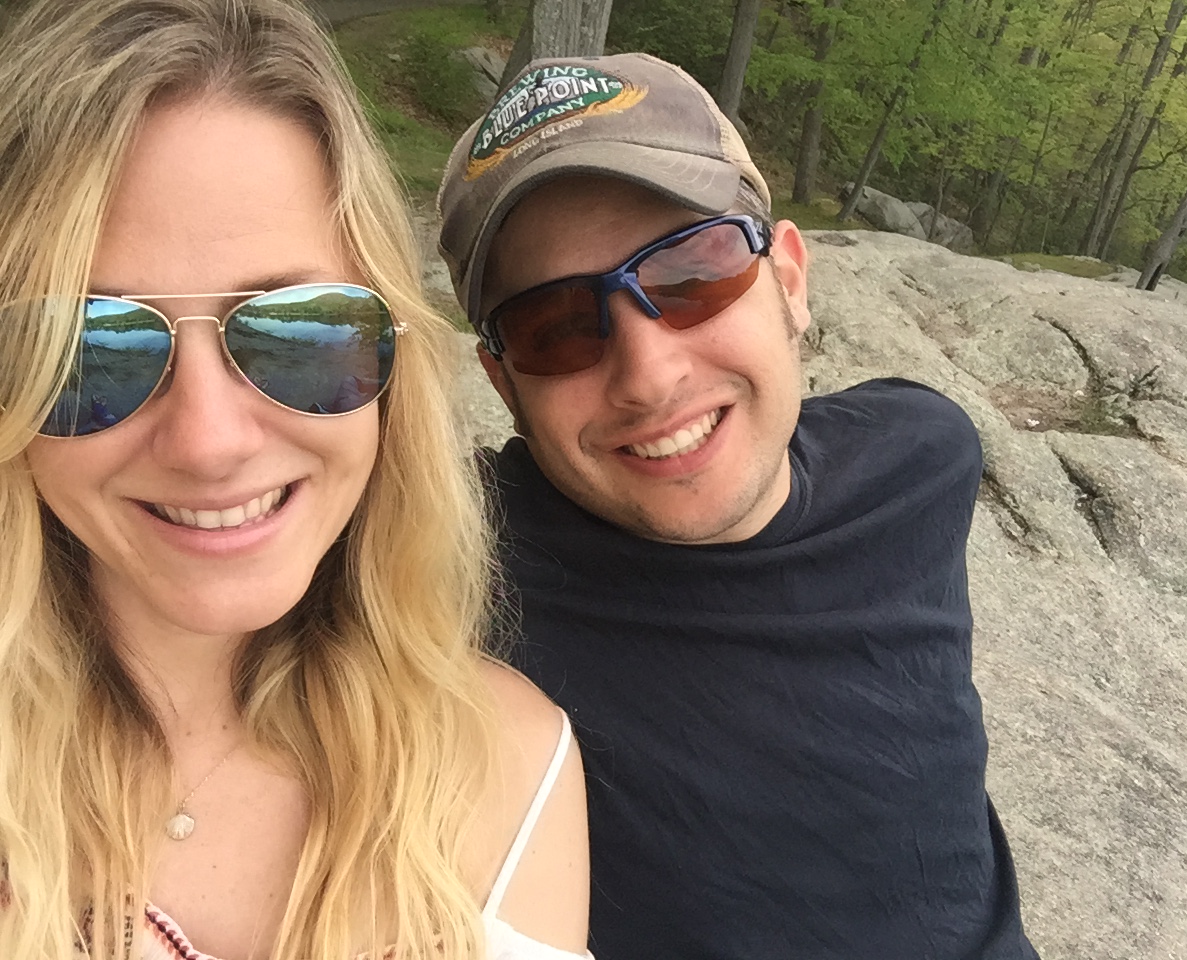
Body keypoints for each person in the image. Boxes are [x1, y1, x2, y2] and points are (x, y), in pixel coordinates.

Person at [0, 2, 590, 958]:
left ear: (394, 361)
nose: (208, 441)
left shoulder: (515, 772)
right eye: (91, 349)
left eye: (298, 332)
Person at [438, 53, 1041, 959]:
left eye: (692, 273)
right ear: (502, 382)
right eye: (553, 327)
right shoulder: (452, 561)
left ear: (789, 279)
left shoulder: (922, 456)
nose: (650, 376)